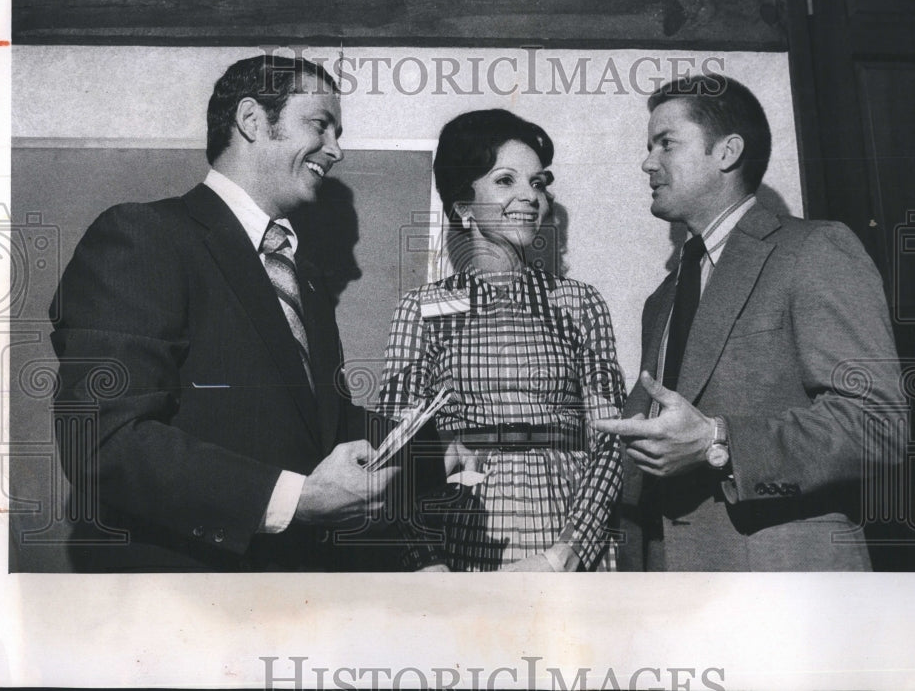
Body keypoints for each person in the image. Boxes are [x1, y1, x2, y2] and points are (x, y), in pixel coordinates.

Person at [50, 55, 399, 571]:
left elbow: (318, 424)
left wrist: (431, 448)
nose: (337, 150)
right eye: (319, 125)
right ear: (253, 120)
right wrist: (295, 500)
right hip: (183, 596)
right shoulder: (143, 236)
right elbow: (104, 440)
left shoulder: (297, 272)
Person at [593, 74, 906, 571]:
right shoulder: (664, 298)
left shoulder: (815, 250)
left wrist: (718, 441)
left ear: (727, 152)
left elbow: (878, 427)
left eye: (666, 143)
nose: (647, 162)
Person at [377, 109, 625, 572]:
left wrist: (567, 553)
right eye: (506, 181)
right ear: (463, 207)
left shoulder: (579, 302)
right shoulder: (423, 309)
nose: (529, 197)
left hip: (566, 527)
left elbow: (612, 441)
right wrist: (426, 562)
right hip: (466, 531)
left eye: (538, 183)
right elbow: (396, 449)